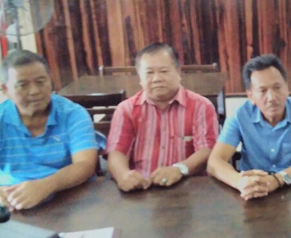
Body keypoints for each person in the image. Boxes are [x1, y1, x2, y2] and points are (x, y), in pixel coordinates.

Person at [207, 54, 291, 200]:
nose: (272, 97)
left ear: (287, 88)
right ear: (250, 96)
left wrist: (277, 180)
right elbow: (214, 162)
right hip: (254, 192)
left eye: (277, 87)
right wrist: (239, 182)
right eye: (263, 91)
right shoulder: (240, 115)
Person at [107, 43, 219, 192]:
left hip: (189, 187)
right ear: (140, 77)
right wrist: (123, 175)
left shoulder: (201, 106)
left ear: (178, 72)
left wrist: (179, 169)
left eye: (164, 71)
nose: (156, 79)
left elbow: (207, 150)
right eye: (149, 73)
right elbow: (117, 151)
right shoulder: (126, 109)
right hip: (142, 189)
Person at [0, 50, 98, 211]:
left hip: (69, 198)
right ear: (6, 90)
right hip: (12, 201)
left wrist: (46, 185)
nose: (34, 91)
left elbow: (85, 165)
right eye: (23, 85)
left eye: (41, 81)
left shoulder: (72, 113)